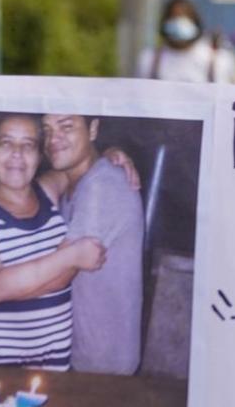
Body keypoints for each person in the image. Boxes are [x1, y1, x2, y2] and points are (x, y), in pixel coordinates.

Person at [0, 112, 105, 371]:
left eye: (28, 145)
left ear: (39, 155)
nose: (17, 153)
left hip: (55, 361)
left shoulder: (48, 190)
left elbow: (84, 162)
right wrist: (71, 257)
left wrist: (111, 154)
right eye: (6, 143)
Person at [40, 113, 144, 374]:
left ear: (93, 128)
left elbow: (55, 277)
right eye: (47, 129)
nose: (53, 138)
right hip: (81, 353)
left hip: (102, 366)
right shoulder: (77, 181)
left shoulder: (102, 186)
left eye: (66, 126)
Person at [138, 0, 235, 83]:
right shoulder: (149, 60)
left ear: (195, 23)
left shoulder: (219, 60)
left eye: (184, 17)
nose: (178, 23)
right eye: (173, 17)